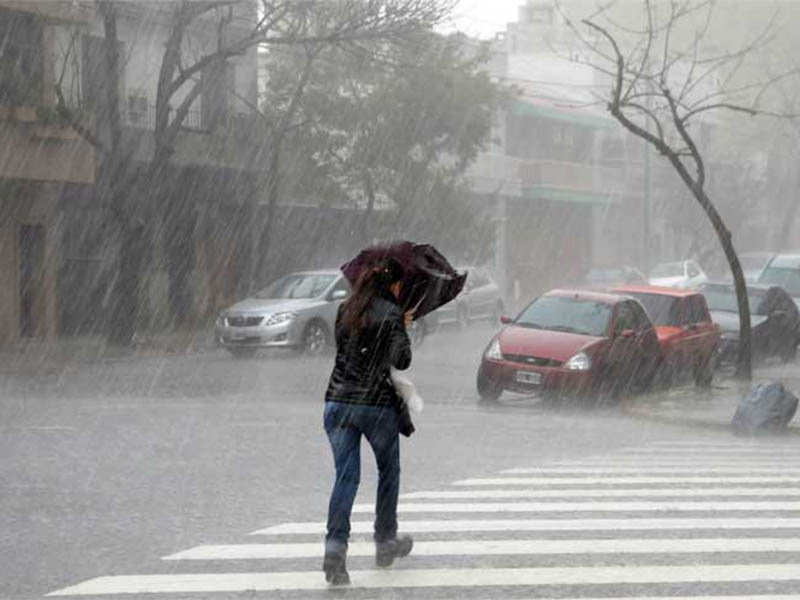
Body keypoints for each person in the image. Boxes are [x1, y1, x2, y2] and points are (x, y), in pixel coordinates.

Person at [322, 258, 414, 585]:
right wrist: (402, 325)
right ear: (393, 285)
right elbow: (401, 359)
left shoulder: (345, 309)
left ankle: (334, 550)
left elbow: (347, 351)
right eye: (400, 285)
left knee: (345, 478)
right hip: (375, 406)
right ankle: (385, 541)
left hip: (337, 403)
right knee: (388, 471)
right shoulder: (391, 313)